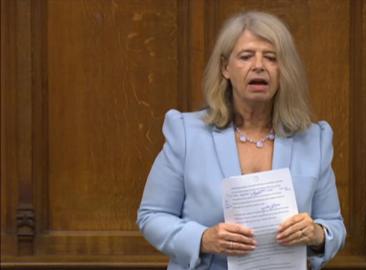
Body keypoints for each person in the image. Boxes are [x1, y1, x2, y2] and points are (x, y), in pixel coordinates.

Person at [137, 11, 346, 270]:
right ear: (225, 68)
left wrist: (316, 235)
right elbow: (152, 216)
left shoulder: (314, 139)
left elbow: (333, 225)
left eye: (271, 58)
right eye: (246, 56)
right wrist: (203, 239)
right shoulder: (186, 133)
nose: (259, 65)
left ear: (284, 70)